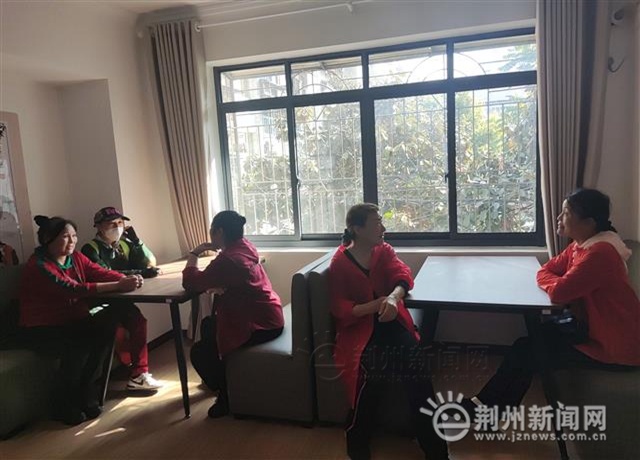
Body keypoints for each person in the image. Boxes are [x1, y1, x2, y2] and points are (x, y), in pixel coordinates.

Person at [465, 188, 640, 416]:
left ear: (589, 222)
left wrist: (559, 283)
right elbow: (547, 269)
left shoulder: (600, 253)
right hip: (587, 330)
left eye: (566, 213)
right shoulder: (580, 245)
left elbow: (558, 293)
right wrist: (559, 282)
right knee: (524, 345)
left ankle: (486, 410)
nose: (559, 218)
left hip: (614, 346)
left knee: (530, 352)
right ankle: (486, 408)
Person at [329, 203, 449, 460]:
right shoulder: (340, 262)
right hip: (359, 331)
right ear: (357, 229)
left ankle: (436, 449)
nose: (383, 228)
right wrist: (374, 305)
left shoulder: (384, 251)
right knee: (373, 374)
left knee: (417, 370)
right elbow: (340, 308)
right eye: (376, 224)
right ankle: (357, 437)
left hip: (392, 322)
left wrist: (393, 298)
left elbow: (403, 275)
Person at [18, 215, 143, 425]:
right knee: (77, 346)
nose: (72, 241)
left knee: (106, 328)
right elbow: (71, 289)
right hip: (41, 328)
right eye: (65, 236)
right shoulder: (38, 265)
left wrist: (125, 279)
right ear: (48, 239)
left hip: (71, 321)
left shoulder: (75, 257)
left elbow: (99, 272)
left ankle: (84, 392)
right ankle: (62, 404)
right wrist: (118, 286)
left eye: (74, 236)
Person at [183, 210, 284, 418]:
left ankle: (226, 395)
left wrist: (195, 253)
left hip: (258, 325)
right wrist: (223, 287)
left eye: (212, 230)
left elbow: (191, 282)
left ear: (219, 231)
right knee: (208, 325)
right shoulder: (245, 246)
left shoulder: (228, 260)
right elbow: (237, 280)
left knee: (200, 352)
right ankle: (219, 380)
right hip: (269, 314)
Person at [80, 206, 162, 392]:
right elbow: (105, 274)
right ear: (98, 226)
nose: (117, 227)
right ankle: (133, 371)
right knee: (123, 325)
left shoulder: (124, 245)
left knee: (138, 321)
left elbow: (149, 262)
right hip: (100, 301)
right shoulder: (90, 249)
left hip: (121, 299)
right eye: (111, 224)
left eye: (120, 223)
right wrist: (141, 272)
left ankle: (139, 373)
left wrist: (137, 242)